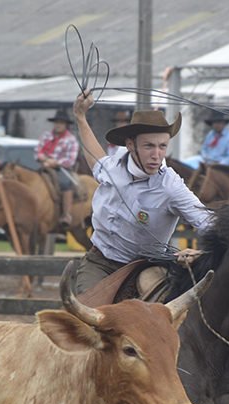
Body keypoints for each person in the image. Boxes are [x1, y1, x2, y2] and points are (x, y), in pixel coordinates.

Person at [71, 88, 213, 293]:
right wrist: (80, 117)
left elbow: (208, 222)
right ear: (131, 145)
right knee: (87, 312)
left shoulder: (171, 186)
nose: (157, 154)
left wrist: (201, 252)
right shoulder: (112, 167)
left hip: (147, 268)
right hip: (99, 262)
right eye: (149, 146)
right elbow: (95, 157)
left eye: (162, 146)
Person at [35, 108, 80, 225]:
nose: (58, 125)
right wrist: (45, 160)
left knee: (66, 184)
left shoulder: (71, 140)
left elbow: (70, 159)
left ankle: (66, 215)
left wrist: (54, 162)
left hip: (62, 169)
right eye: (56, 122)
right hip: (44, 165)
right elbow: (38, 151)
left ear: (66, 125)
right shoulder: (46, 136)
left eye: (61, 123)